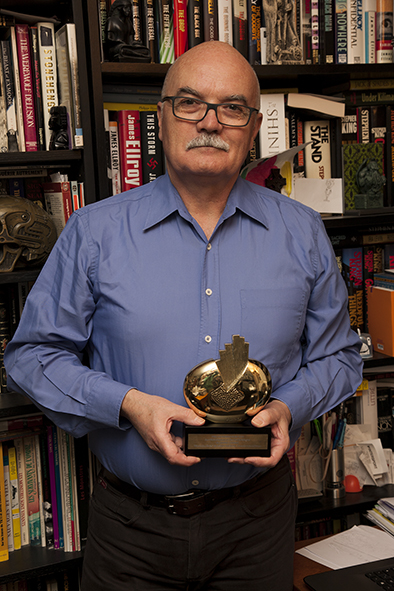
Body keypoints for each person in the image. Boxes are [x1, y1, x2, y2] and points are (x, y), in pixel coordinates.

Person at [4, 41, 363, 591]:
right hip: (131, 530)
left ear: (254, 126)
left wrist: (291, 406)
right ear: (163, 116)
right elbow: (32, 357)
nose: (210, 122)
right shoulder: (94, 232)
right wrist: (127, 405)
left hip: (258, 525)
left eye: (232, 107)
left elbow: (339, 357)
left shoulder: (302, 232)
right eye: (190, 103)